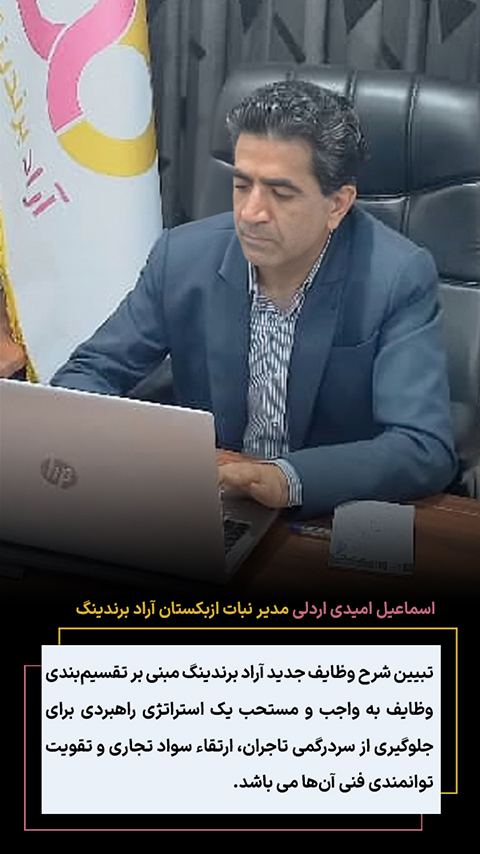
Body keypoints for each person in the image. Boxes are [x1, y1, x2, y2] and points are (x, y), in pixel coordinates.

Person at [51, 80, 457, 518]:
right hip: (204, 499)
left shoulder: (396, 277)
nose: (251, 213)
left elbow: (422, 447)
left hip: (324, 511)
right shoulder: (182, 258)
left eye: (280, 193)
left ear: (337, 205)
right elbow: (85, 376)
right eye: (242, 185)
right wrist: (148, 454)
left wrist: (285, 479)